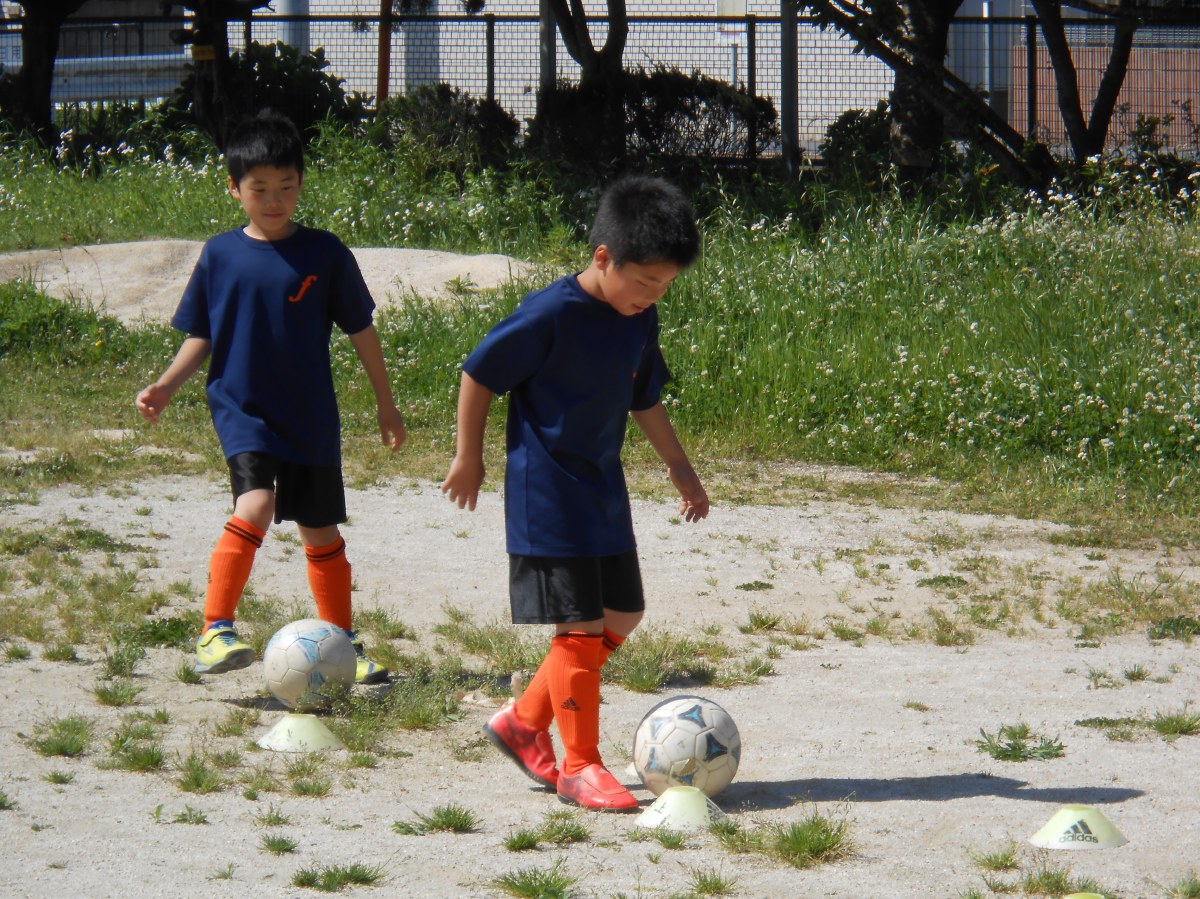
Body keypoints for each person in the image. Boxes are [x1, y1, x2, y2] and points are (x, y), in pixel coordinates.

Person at [441, 175, 710, 810]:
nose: (652, 296)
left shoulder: (639, 319)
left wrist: (679, 465)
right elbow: (479, 373)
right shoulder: (549, 314)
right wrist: (469, 456)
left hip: (601, 487)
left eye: (665, 285)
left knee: (622, 615)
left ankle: (522, 721)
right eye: (644, 281)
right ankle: (579, 765)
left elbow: (644, 395)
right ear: (603, 258)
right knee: (581, 630)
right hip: (547, 492)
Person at [135, 109, 406, 683]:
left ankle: (341, 643)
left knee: (320, 530)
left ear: (301, 184)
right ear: (234, 188)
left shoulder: (326, 254)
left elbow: (362, 330)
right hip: (244, 407)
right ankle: (215, 629)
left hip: (309, 416)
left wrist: (386, 403)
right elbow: (203, 334)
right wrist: (165, 384)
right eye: (260, 188)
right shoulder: (220, 255)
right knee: (254, 505)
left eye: (286, 186)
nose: (274, 199)